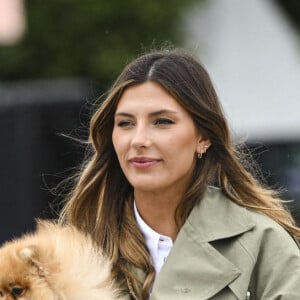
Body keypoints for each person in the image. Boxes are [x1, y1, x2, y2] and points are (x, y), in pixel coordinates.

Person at [59, 48, 300, 299]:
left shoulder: (262, 242)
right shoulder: (79, 249)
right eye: (125, 123)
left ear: (203, 137)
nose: (138, 140)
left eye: (162, 121)